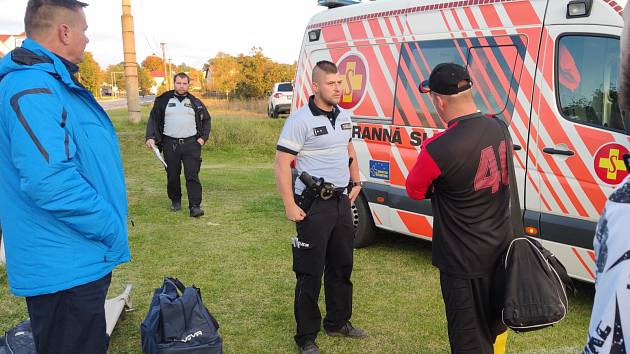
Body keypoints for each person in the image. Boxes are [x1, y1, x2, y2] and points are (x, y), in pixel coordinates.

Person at [0, 1, 131, 353]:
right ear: (64, 32)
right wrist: (108, 224)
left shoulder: (52, 82)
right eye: (84, 30)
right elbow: (49, 181)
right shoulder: (33, 88)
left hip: (76, 255)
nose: (87, 40)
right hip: (63, 264)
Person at [405, 63, 510, 353]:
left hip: (462, 261)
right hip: (500, 251)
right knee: (495, 329)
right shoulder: (499, 126)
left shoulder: (438, 148)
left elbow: (414, 191)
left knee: (468, 341)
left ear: (438, 101)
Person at [274, 60, 367, 354]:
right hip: (313, 205)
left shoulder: (344, 116)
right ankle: (306, 337)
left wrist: (356, 181)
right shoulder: (299, 120)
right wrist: (289, 204)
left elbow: (348, 148)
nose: (338, 88)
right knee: (310, 272)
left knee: (342, 266)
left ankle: (338, 322)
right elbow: (280, 163)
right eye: (331, 83)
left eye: (340, 82)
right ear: (316, 86)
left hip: (340, 201)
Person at [145, 72, 211, 217]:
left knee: (192, 176)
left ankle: (195, 206)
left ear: (188, 84)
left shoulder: (196, 102)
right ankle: (175, 200)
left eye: (184, 83)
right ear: (174, 83)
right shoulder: (163, 100)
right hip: (170, 144)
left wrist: (203, 138)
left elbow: (206, 120)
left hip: (191, 144)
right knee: (172, 175)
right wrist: (150, 137)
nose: (181, 86)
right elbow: (153, 120)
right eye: (178, 83)